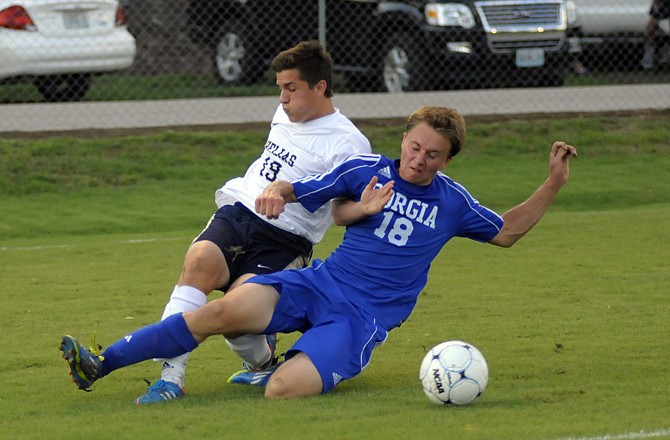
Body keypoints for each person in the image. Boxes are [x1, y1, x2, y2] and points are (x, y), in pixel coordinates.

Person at [60, 106, 577, 399]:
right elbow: (306, 187)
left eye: (432, 155)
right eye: (414, 147)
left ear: (446, 160)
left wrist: (552, 183)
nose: (418, 160)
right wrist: (276, 193)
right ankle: (100, 365)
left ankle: (284, 364)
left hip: (362, 318)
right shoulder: (366, 169)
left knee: (280, 392)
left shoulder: (452, 201)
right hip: (320, 283)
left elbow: (507, 231)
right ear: (404, 139)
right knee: (221, 312)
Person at [130, 40, 371, 404]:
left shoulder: (349, 144)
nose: (282, 99)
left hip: (286, 239)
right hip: (240, 213)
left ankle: (263, 359)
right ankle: (170, 380)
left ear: (320, 87)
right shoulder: (284, 115)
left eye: (291, 88)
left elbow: (340, 211)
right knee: (197, 265)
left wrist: (366, 209)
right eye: (279, 89)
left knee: (237, 321)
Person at [641, 0, 670, 69]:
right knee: (650, 29)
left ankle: (664, 58)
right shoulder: (657, 4)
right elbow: (653, 20)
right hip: (662, 25)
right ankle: (648, 60)